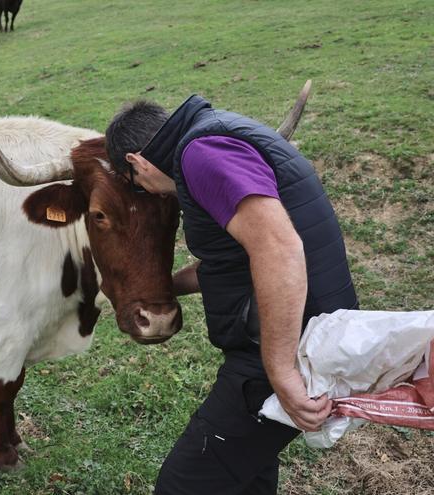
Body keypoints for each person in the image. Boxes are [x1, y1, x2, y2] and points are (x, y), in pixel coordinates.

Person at [105, 95, 359, 494]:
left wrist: (282, 373)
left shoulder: (201, 153)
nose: (152, 194)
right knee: (246, 473)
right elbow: (234, 260)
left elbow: (278, 249)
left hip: (288, 346)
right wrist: (158, 287)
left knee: (183, 484)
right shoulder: (217, 134)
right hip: (309, 327)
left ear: (137, 164)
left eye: (138, 184)